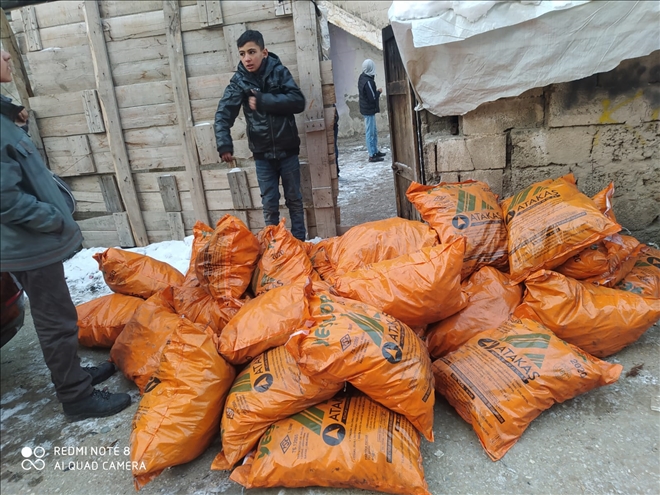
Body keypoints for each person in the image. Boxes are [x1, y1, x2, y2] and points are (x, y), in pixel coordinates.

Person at [0, 50, 131, 421]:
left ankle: (75, 377)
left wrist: (17, 122)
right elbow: (5, 199)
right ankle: (77, 397)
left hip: (30, 241)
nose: (6, 54)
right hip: (28, 243)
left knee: (57, 314)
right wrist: (52, 219)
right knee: (55, 321)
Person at [215, 30, 307, 241]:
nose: (247, 58)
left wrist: (264, 100)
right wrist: (224, 143)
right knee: (270, 204)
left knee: (294, 200)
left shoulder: (279, 72)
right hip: (262, 155)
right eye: (242, 54)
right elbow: (223, 114)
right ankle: (272, 247)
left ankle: (300, 245)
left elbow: (298, 102)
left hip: (288, 151)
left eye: (251, 52)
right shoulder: (239, 81)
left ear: (264, 52)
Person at [358, 59, 386, 163]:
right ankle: (371, 155)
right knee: (370, 133)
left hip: (367, 109)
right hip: (368, 110)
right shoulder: (368, 81)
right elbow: (372, 97)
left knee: (373, 131)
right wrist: (378, 92)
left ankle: (375, 151)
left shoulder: (362, 77)